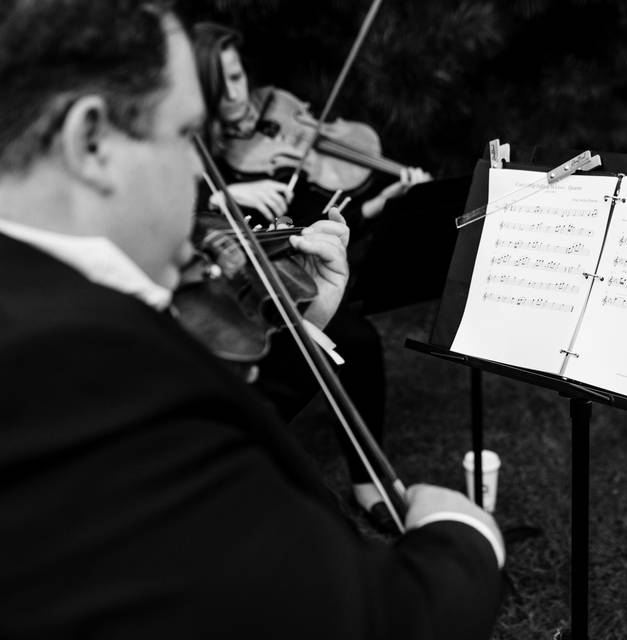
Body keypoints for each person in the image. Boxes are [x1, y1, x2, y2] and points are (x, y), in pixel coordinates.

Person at [0, 1, 503, 637]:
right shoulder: (97, 383)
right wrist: (465, 535)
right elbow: (377, 621)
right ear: (91, 141)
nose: (198, 172)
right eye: (185, 135)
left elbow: (234, 406)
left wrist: (310, 313)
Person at [189, 21, 434, 533]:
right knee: (311, 340)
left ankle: (369, 478)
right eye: (222, 81)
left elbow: (313, 225)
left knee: (358, 340)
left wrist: (378, 203)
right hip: (232, 288)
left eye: (239, 76)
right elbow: (182, 217)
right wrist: (222, 198)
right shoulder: (192, 152)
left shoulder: (275, 122)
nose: (237, 94)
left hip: (289, 270)